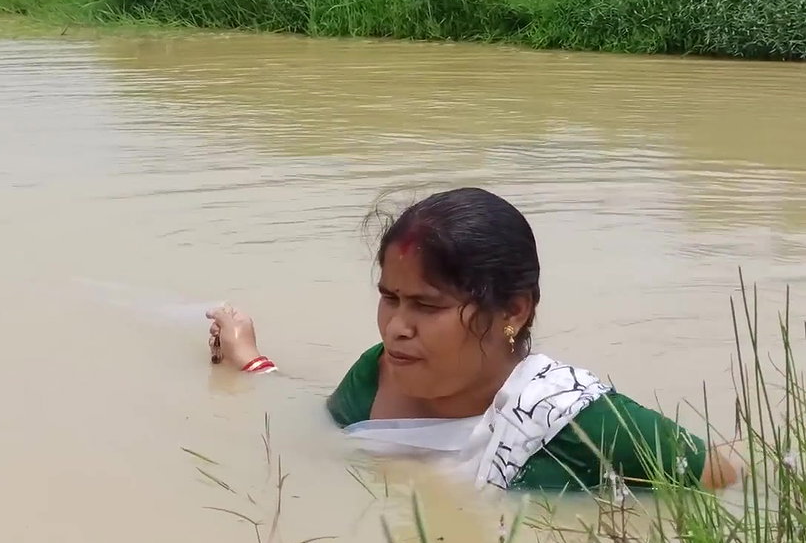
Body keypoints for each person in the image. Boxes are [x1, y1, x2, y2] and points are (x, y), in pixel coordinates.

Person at [206, 187, 739, 491]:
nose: (397, 325)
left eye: (427, 306)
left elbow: (724, 479)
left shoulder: (571, 421)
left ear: (512, 310)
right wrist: (248, 361)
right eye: (390, 297)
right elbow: (313, 428)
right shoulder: (377, 374)